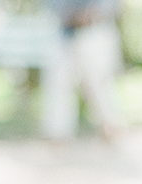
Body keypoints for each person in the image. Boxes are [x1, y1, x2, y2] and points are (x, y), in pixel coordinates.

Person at [41, 0, 127, 141]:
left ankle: (109, 126)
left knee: (98, 83)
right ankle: (58, 134)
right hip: (65, 32)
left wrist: (93, 14)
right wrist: (69, 15)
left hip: (96, 30)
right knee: (58, 82)